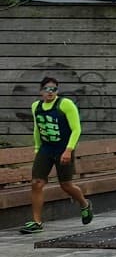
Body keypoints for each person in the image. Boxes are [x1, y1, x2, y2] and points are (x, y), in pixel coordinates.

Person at [21, 77, 93, 234]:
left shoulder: (65, 104)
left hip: (64, 148)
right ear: (41, 91)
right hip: (46, 149)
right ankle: (37, 222)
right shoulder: (36, 107)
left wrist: (68, 150)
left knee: (66, 185)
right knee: (36, 183)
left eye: (54, 89)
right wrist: (37, 148)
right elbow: (37, 128)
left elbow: (76, 129)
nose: (50, 92)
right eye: (47, 89)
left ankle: (84, 204)